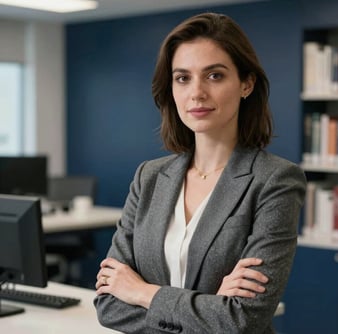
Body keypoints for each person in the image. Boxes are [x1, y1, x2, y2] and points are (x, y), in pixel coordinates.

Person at [94, 12, 306, 334]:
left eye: (214, 76)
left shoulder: (275, 181)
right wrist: (209, 309)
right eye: (182, 78)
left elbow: (243, 319)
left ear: (246, 84)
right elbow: (109, 306)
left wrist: (140, 292)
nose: (196, 93)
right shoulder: (148, 177)